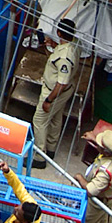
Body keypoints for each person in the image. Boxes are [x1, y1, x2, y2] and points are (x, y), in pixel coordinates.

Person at [32, 18, 79, 164]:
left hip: (54, 92)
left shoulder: (64, 58)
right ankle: (51, 149)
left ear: (59, 32)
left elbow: (61, 83)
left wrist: (48, 100)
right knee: (56, 118)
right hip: (65, 92)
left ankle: (40, 157)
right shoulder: (75, 44)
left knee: (39, 121)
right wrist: (53, 45)